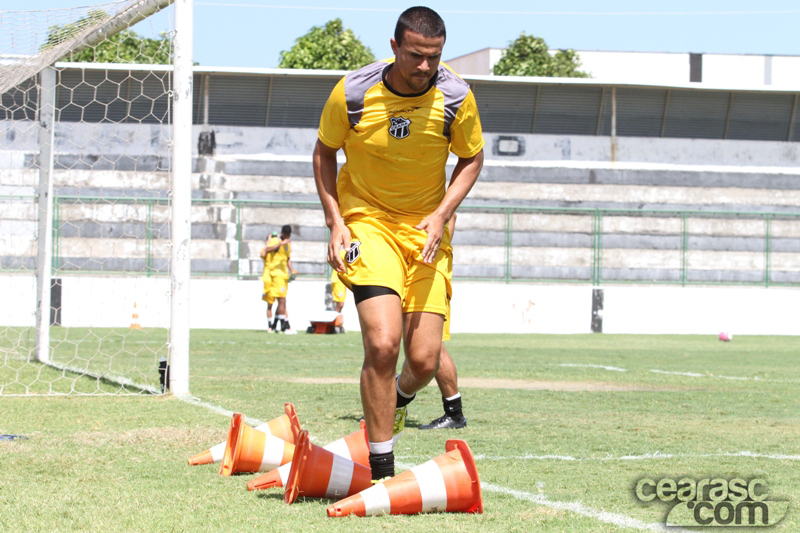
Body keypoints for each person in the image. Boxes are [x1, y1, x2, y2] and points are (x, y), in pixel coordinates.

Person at [312, 6, 484, 481]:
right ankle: (382, 468)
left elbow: (471, 158)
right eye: (415, 56)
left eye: (434, 57)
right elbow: (325, 153)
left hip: (426, 232)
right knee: (384, 345)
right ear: (393, 48)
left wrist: (441, 214)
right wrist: (336, 221)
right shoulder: (352, 92)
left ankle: (399, 400)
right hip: (367, 223)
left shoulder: (456, 97)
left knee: (425, 360)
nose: (425, 67)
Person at [419, 214, 466, 430]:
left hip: (430, 275)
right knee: (416, 345)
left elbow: (448, 221)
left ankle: (454, 413)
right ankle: (396, 402)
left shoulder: (440, 207)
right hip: (423, 273)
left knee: (434, 347)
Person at [263, 224, 297, 333]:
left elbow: (287, 259)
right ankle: (284, 326)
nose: (287, 236)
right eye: (286, 234)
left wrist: (291, 270)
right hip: (276, 275)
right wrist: (281, 243)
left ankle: (275, 325)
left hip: (284, 275)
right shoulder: (276, 241)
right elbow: (267, 250)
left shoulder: (288, 245)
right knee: (281, 301)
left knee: (282, 301)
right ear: (282, 233)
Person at [260, 231, 281, 331]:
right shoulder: (266, 249)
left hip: (277, 278)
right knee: (270, 303)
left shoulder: (279, 248)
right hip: (268, 279)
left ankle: (276, 324)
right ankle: (270, 326)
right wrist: (268, 242)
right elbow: (263, 253)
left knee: (281, 302)